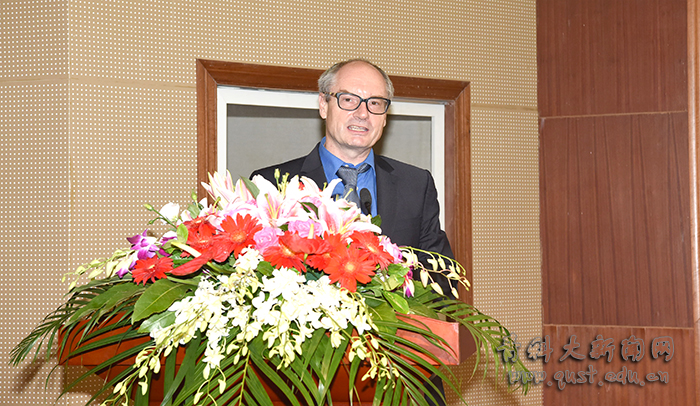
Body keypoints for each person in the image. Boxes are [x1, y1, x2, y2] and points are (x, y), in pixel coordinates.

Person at [251, 59, 453, 406]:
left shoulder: (415, 183)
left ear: (385, 116)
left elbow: (441, 278)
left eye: (375, 103)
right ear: (323, 104)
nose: (362, 113)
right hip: (306, 382)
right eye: (348, 100)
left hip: (403, 379)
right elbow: (256, 285)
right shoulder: (274, 185)